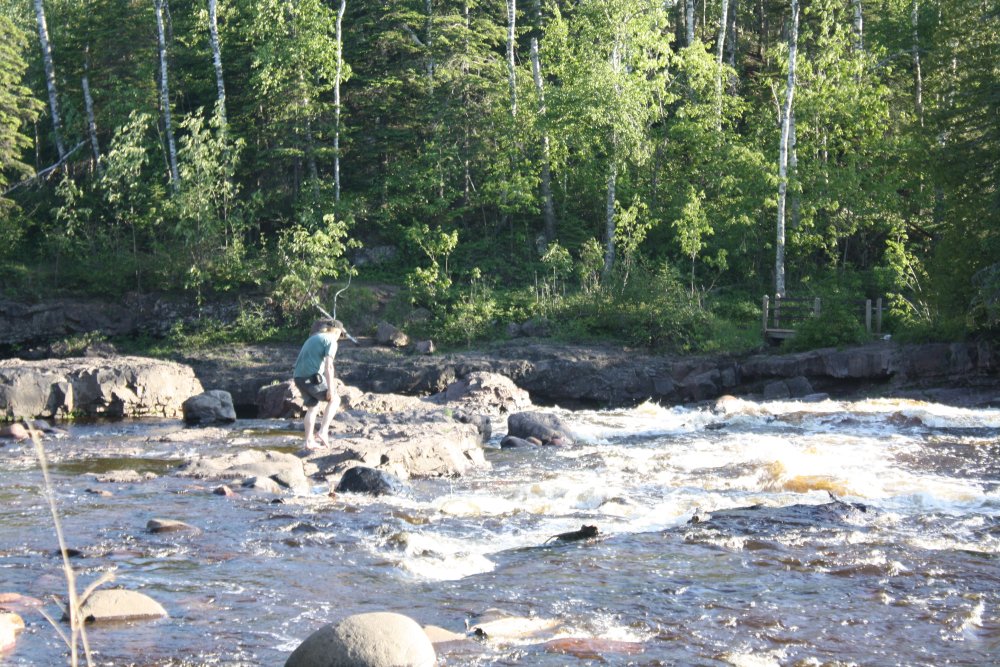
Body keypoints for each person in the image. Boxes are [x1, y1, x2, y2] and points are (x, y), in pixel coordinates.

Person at [293, 319, 343, 449]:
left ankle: (309, 441)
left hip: (298, 377)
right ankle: (323, 432)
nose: (339, 338)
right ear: (337, 332)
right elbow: (329, 367)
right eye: (340, 335)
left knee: (313, 408)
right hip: (311, 378)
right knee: (335, 400)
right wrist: (331, 389)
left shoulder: (313, 338)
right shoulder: (331, 341)